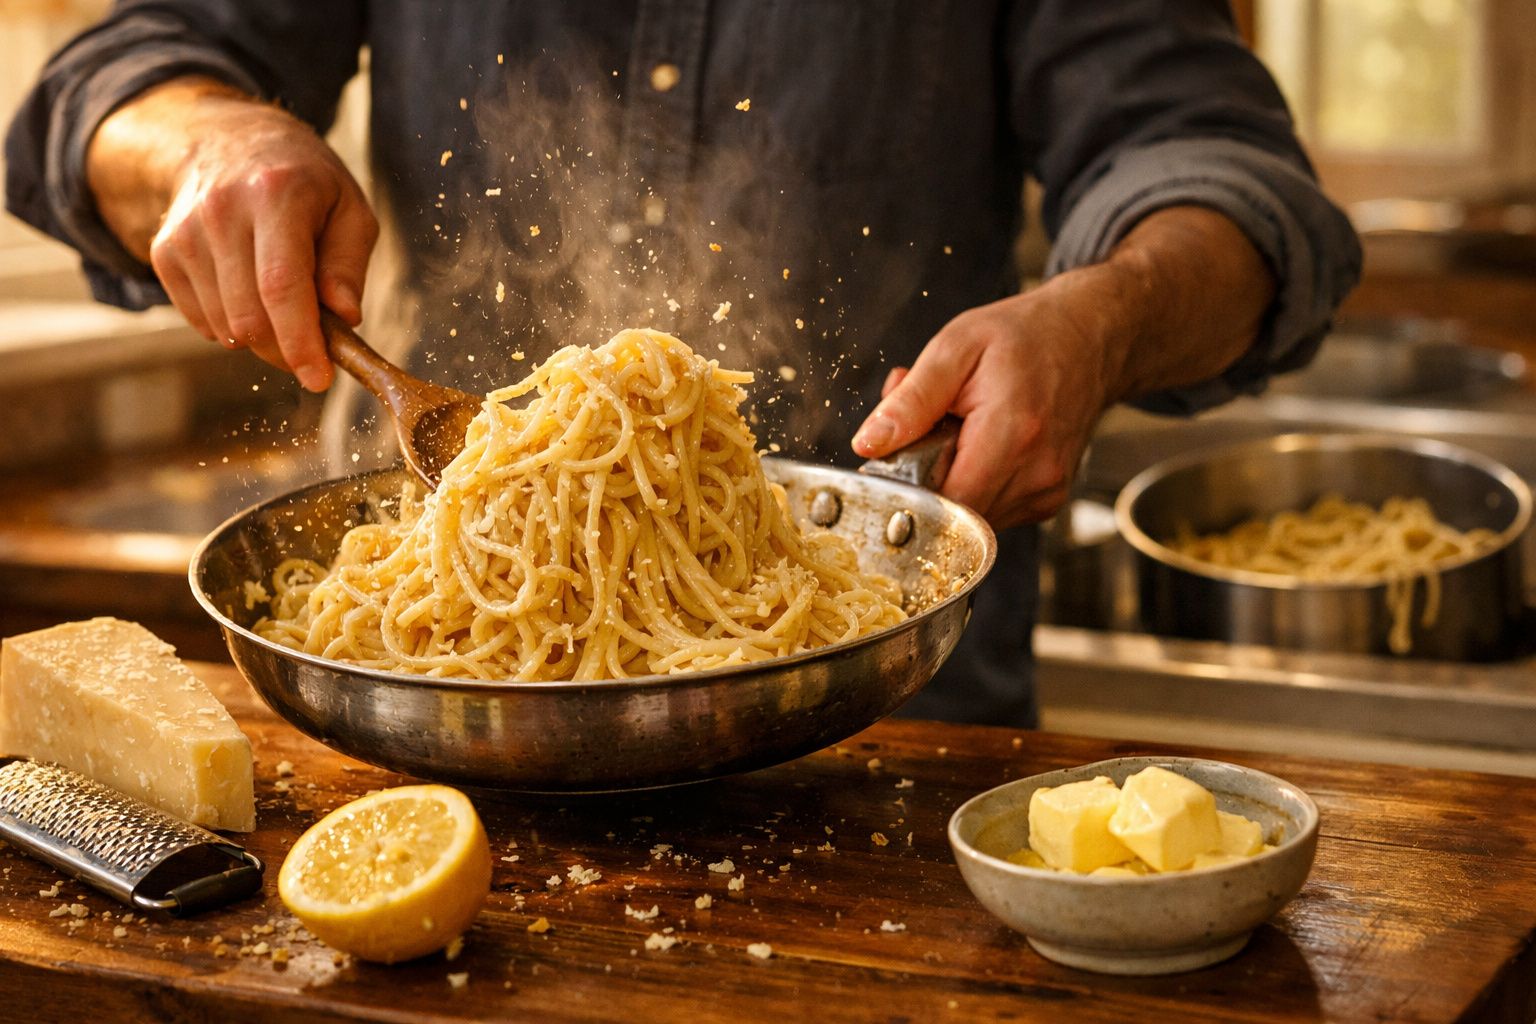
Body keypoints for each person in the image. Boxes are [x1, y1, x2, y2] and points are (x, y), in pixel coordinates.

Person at [4, 2, 1360, 726]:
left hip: (883, 714)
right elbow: (116, 79)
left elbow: (1229, 176)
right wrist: (199, 143)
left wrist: (1100, 318)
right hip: (430, 712)